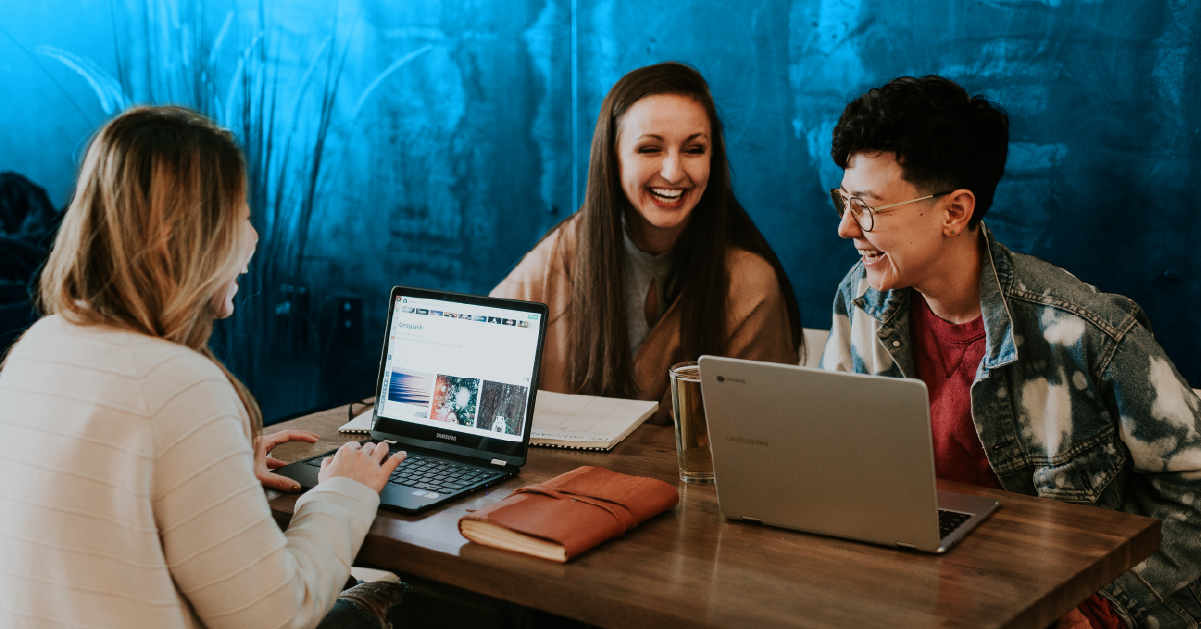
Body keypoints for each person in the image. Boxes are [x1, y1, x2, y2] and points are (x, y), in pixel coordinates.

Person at [0, 106, 409, 628]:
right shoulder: (177, 385)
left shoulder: (37, 346)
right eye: (239, 218)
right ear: (178, 237)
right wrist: (343, 491)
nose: (254, 239)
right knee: (392, 593)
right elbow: (276, 617)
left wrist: (220, 468)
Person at [819, 75, 1201, 629]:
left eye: (869, 207)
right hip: (905, 590)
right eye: (845, 201)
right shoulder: (859, 300)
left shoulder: (1084, 330)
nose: (845, 227)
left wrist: (1102, 609)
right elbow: (834, 461)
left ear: (955, 212)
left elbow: (1192, 487)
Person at [492, 62, 801, 423]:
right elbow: (474, 360)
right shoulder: (563, 254)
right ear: (613, 159)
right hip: (557, 479)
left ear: (713, 160)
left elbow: (763, 440)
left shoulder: (750, 284)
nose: (673, 172)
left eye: (694, 149)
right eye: (650, 149)